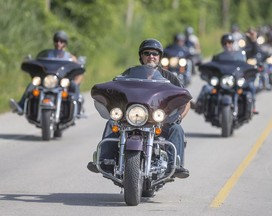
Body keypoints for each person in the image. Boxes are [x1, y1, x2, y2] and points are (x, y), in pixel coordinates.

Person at [88, 38, 191, 178]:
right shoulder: (129, 73)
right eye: (147, 53)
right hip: (132, 117)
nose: (151, 56)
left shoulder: (169, 77)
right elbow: (116, 88)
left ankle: (176, 165)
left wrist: (178, 117)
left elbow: (185, 100)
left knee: (176, 129)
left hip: (159, 120)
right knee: (112, 123)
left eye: (154, 53)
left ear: (160, 57)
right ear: (141, 56)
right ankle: (104, 161)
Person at [9, 30, 84, 116]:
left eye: (61, 41)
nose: (59, 43)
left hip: (62, 81)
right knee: (32, 84)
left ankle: (78, 110)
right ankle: (21, 106)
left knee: (74, 85)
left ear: (65, 43)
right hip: (49, 80)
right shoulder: (48, 55)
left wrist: (76, 78)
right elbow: (40, 63)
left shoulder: (70, 57)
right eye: (57, 40)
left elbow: (78, 69)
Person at [194, 33, 258, 114]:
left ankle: (253, 107)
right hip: (222, 81)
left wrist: (254, 41)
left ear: (232, 43)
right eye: (225, 43)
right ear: (222, 44)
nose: (227, 45)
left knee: (251, 86)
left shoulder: (241, 54)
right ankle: (199, 106)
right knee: (206, 87)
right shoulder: (218, 57)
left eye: (229, 42)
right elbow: (211, 66)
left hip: (237, 80)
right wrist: (202, 65)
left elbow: (254, 51)